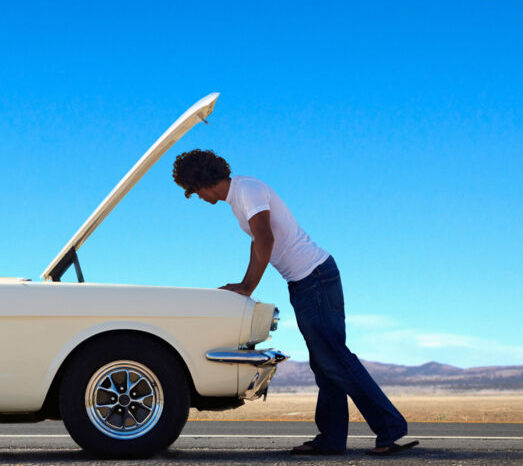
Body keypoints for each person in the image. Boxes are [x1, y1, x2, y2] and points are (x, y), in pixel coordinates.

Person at [172, 149, 419, 456]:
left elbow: (265, 238)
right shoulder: (239, 199)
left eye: (192, 190)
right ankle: (331, 440)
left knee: (335, 359)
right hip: (305, 282)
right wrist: (244, 284)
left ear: (201, 181)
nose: (196, 197)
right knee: (324, 363)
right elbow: (257, 241)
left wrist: (249, 285)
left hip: (315, 278)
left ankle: (390, 429)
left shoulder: (247, 189)